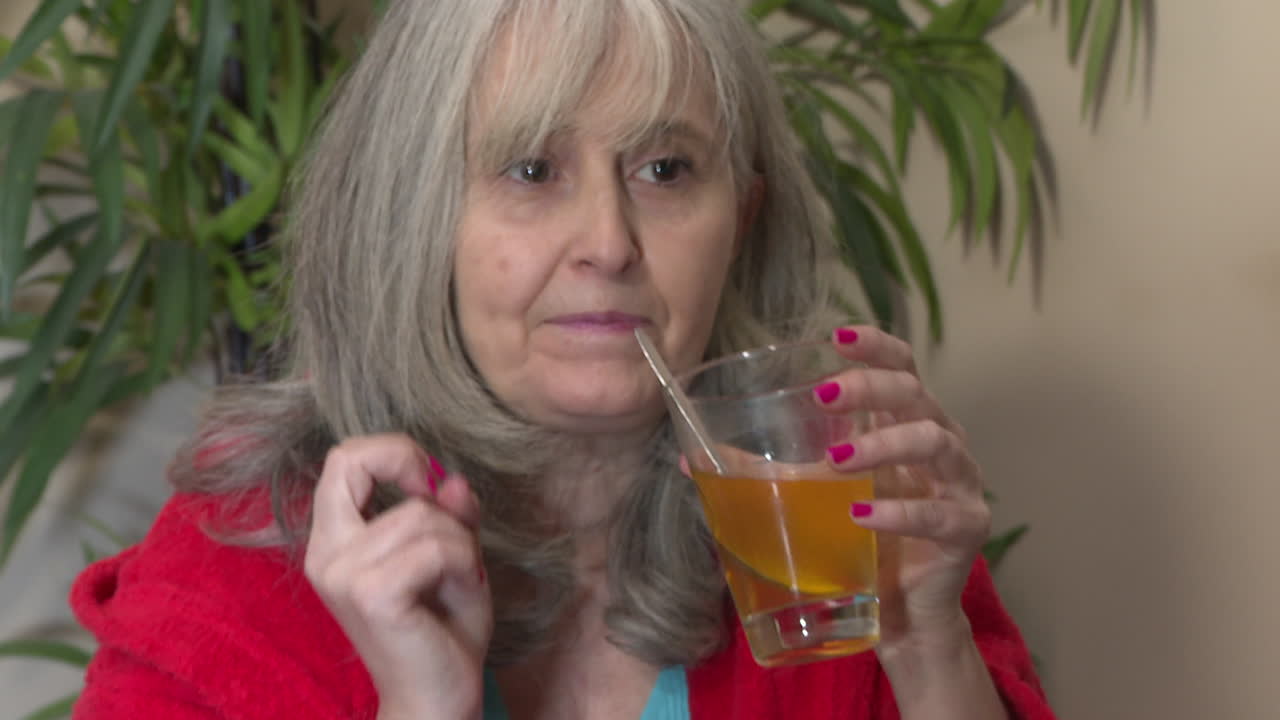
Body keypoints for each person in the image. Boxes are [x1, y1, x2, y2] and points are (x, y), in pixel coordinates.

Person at [70, 0, 1054, 718]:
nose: (608, 242)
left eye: (664, 170)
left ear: (739, 221)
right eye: (531, 169)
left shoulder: (844, 533)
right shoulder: (225, 582)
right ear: (417, 218)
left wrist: (930, 656)